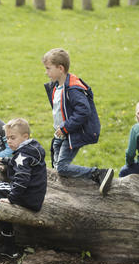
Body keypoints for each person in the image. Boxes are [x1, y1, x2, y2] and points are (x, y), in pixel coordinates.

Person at [43, 48, 114, 196]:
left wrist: (66, 128)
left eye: (48, 68)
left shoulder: (73, 89)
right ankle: (63, 194)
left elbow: (83, 111)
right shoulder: (56, 86)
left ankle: (98, 174)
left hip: (71, 133)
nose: (46, 72)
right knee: (57, 167)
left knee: (62, 167)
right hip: (61, 133)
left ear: (60, 68)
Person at [0, 118, 47, 258]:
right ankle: (9, 248)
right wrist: (3, 159)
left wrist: (11, 198)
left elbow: (22, 179)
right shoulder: (30, 150)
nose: (9, 141)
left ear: (25, 137)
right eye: (7, 138)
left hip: (24, 195)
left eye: (12, 138)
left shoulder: (23, 154)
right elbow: (18, 163)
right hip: (33, 196)